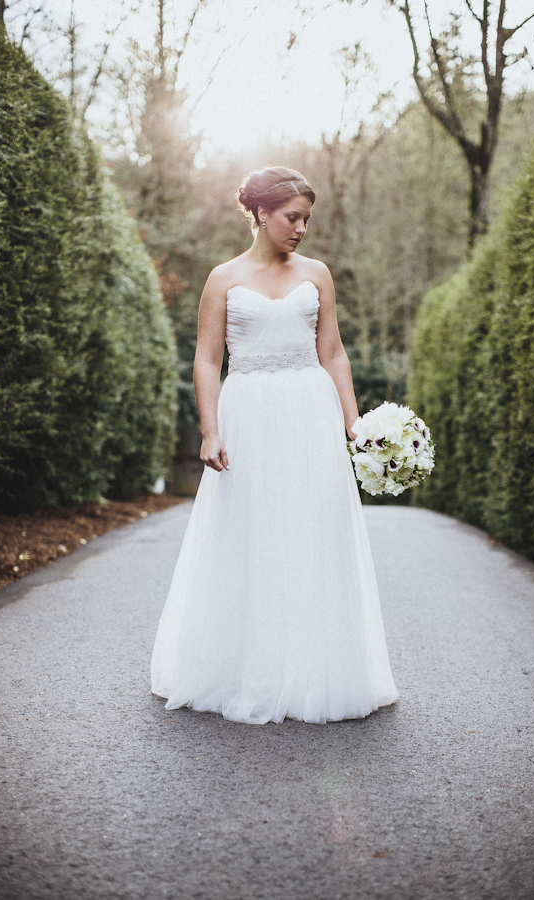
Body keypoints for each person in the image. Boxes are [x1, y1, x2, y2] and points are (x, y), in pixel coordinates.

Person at [151, 166, 398, 724]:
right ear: (260, 214)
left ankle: (317, 671)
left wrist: (353, 421)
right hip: (249, 415)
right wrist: (211, 428)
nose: (302, 229)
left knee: (312, 530)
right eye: (293, 217)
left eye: (307, 218)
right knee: (252, 531)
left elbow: (332, 353)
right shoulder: (222, 278)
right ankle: (243, 668)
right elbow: (207, 360)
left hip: (310, 413)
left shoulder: (318, 274)